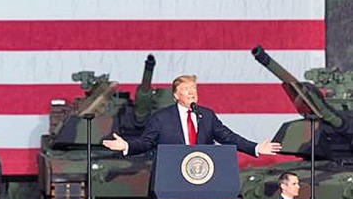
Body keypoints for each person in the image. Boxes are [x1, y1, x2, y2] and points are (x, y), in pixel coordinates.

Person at [103, 75, 281, 157]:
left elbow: (229, 137)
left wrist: (256, 147)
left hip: (203, 177)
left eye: (194, 89)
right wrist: (126, 145)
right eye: (186, 90)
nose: (191, 93)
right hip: (172, 180)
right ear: (175, 95)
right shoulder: (161, 118)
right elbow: (146, 142)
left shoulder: (206, 115)